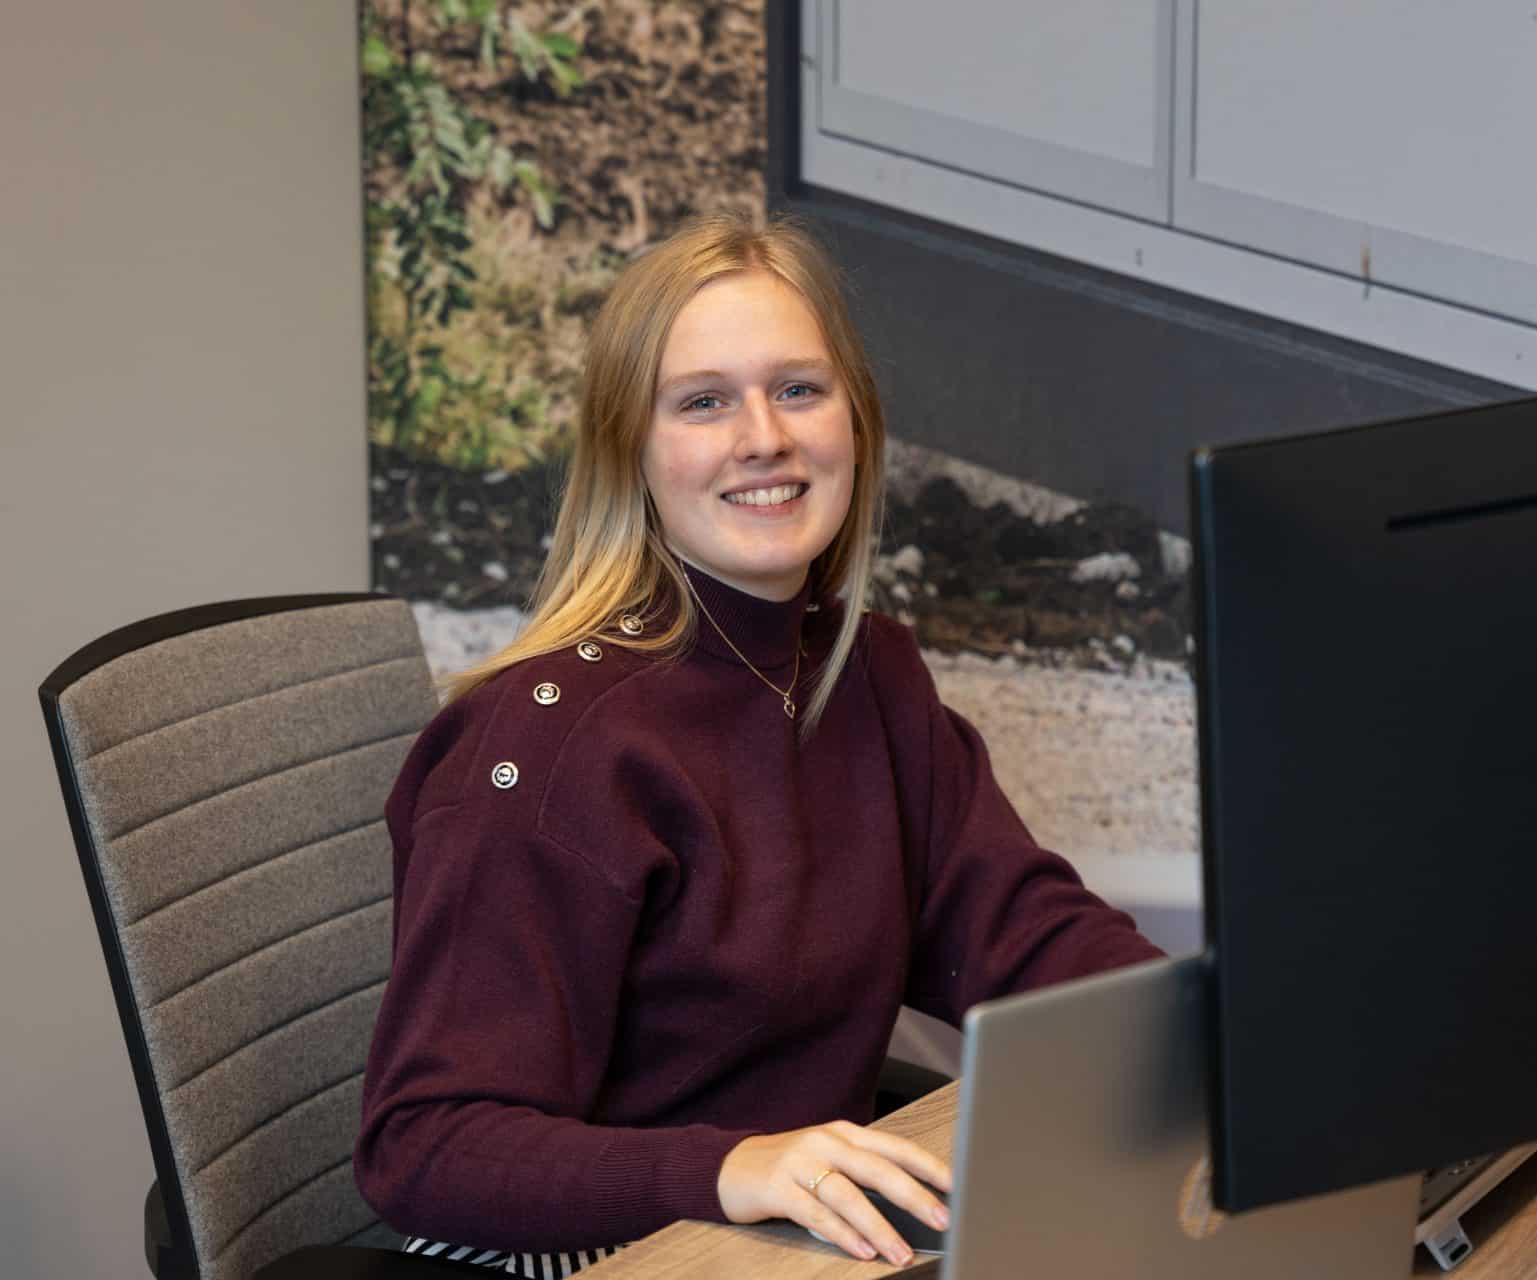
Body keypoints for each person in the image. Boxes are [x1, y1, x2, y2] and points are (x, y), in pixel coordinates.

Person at [354, 210, 1165, 1276]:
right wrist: (734, 1165)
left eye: (798, 387)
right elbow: (424, 1143)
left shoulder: (865, 673)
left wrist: (1199, 1036)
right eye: (703, 401)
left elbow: (1016, 928)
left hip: (781, 1234)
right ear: (628, 450)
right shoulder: (546, 748)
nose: (765, 438)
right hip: (599, 1243)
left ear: (856, 421)